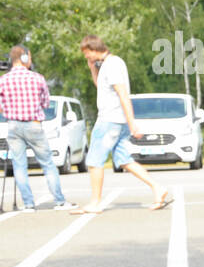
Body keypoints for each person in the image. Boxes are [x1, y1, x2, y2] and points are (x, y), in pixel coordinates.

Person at [74, 36, 169, 214]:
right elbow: (100, 86)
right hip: (117, 120)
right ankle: (157, 188)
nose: (87, 58)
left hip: (110, 120)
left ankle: (95, 202)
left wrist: (132, 123)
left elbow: (123, 94)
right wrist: (92, 69)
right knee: (124, 160)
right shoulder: (106, 65)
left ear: (94, 49)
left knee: (94, 161)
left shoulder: (113, 64)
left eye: (87, 55)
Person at [0, 46, 74, 212]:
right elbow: (45, 103)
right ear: (25, 58)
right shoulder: (37, 78)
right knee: (47, 163)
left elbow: (1, 106)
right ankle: (60, 201)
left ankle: (28, 204)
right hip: (33, 124)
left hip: (13, 124)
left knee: (19, 165)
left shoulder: (3, 80)